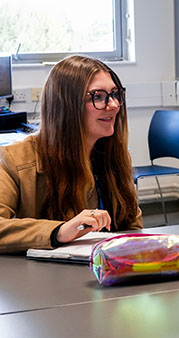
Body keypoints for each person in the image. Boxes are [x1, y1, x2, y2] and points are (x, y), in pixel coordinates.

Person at [0, 55, 142, 253]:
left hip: (106, 273)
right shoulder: (16, 159)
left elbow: (133, 229)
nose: (114, 105)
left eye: (115, 94)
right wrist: (59, 231)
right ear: (66, 105)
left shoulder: (116, 157)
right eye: (98, 96)